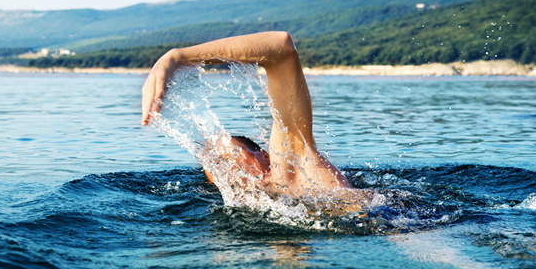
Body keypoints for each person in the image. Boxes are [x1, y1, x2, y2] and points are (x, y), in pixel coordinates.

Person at [141, 31, 368, 204]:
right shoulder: (260, 205)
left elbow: (281, 47)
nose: (229, 170)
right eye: (218, 169)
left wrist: (177, 57)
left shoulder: (294, 169)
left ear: (265, 156)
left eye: (231, 158)